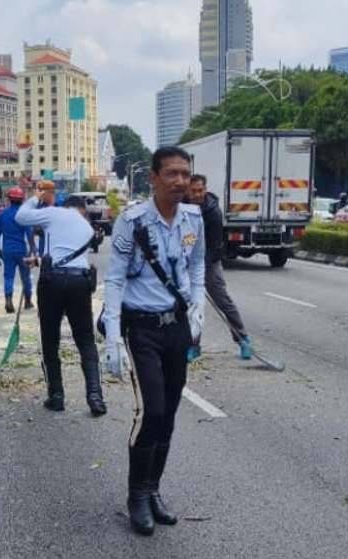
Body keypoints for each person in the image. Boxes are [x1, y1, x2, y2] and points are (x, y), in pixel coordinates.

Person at [102, 146, 206, 536]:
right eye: (172, 174)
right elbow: (114, 279)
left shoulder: (194, 217)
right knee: (152, 411)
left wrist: (197, 309)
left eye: (185, 174)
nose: (180, 181)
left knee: (170, 413)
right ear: (153, 177)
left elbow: (198, 266)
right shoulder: (132, 222)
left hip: (176, 326)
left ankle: (153, 489)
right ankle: (136, 496)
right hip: (141, 327)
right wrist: (113, 337)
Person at [15, 187, 106, 417]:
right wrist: (39, 260)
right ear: (82, 211)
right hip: (80, 283)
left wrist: (37, 197)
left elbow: (21, 217)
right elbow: (68, 254)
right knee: (85, 339)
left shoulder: (55, 213)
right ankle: (95, 396)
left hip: (52, 282)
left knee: (50, 338)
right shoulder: (87, 227)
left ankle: (56, 396)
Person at [186, 174, 252, 360]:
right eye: (193, 191)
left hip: (209, 261)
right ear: (188, 191)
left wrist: (199, 272)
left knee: (222, 300)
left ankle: (243, 339)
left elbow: (215, 246)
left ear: (205, 190)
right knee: (191, 305)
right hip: (186, 261)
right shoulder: (181, 206)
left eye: (200, 190)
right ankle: (193, 344)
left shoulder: (213, 213)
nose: (197, 194)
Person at [0, 187, 34, 314]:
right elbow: (29, 234)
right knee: (25, 276)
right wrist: (33, 249)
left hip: (7, 250)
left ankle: (8, 299)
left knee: (8, 276)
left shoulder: (3, 215)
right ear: (22, 200)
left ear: (9, 200)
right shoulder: (23, 215)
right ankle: (28, 300)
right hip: (21, 250)